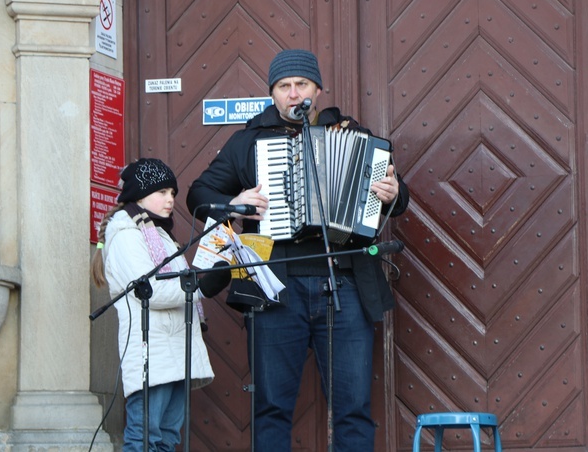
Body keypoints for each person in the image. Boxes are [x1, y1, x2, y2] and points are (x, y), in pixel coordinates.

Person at [186, 48, 410, 451]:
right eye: (284, 86)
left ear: (318, 89)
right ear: (272, 94)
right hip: (274, 289)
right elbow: (198, 194)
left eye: (301, 85)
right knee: (271, 407)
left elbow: (396, 197)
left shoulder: (351, 134)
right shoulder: (248, 141)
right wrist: (236, 202)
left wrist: (395, 193)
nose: (293, 94)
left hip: (344, 285)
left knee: (353, 408)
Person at [91, 158, 215, 451]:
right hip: (151, 353)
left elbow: (175, 282)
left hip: (173, 353)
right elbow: (150, 291)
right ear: (139, 195)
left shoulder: (160, 234)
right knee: (145, 440)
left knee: (167, 439)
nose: (170, 199)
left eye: (172, 193)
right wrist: (200, 288)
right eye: (162, 192)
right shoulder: (126, 235)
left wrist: (200, 282)